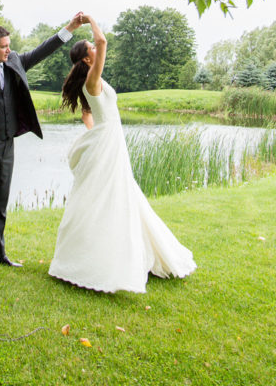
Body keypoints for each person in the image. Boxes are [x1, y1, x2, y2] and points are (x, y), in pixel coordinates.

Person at [49, 16, 196, 294]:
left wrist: (95, 132)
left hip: (109, 141)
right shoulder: (92, 78)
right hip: (108, 142)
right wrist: (89, 19)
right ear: (87, 60)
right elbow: (104, 40)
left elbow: (89, 114)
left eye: (92, 45)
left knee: (120, 194)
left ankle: (134, 253)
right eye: (90, 47)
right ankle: (93, 261)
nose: (95, 46)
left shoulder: (94, 81)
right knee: (106, 197)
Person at [0, 12, 85, 276]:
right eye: (3, 46)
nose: (8, 49)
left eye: (8, 45)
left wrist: (70, 27)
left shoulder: (14, 62)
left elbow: (43, 50)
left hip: (7, 146)